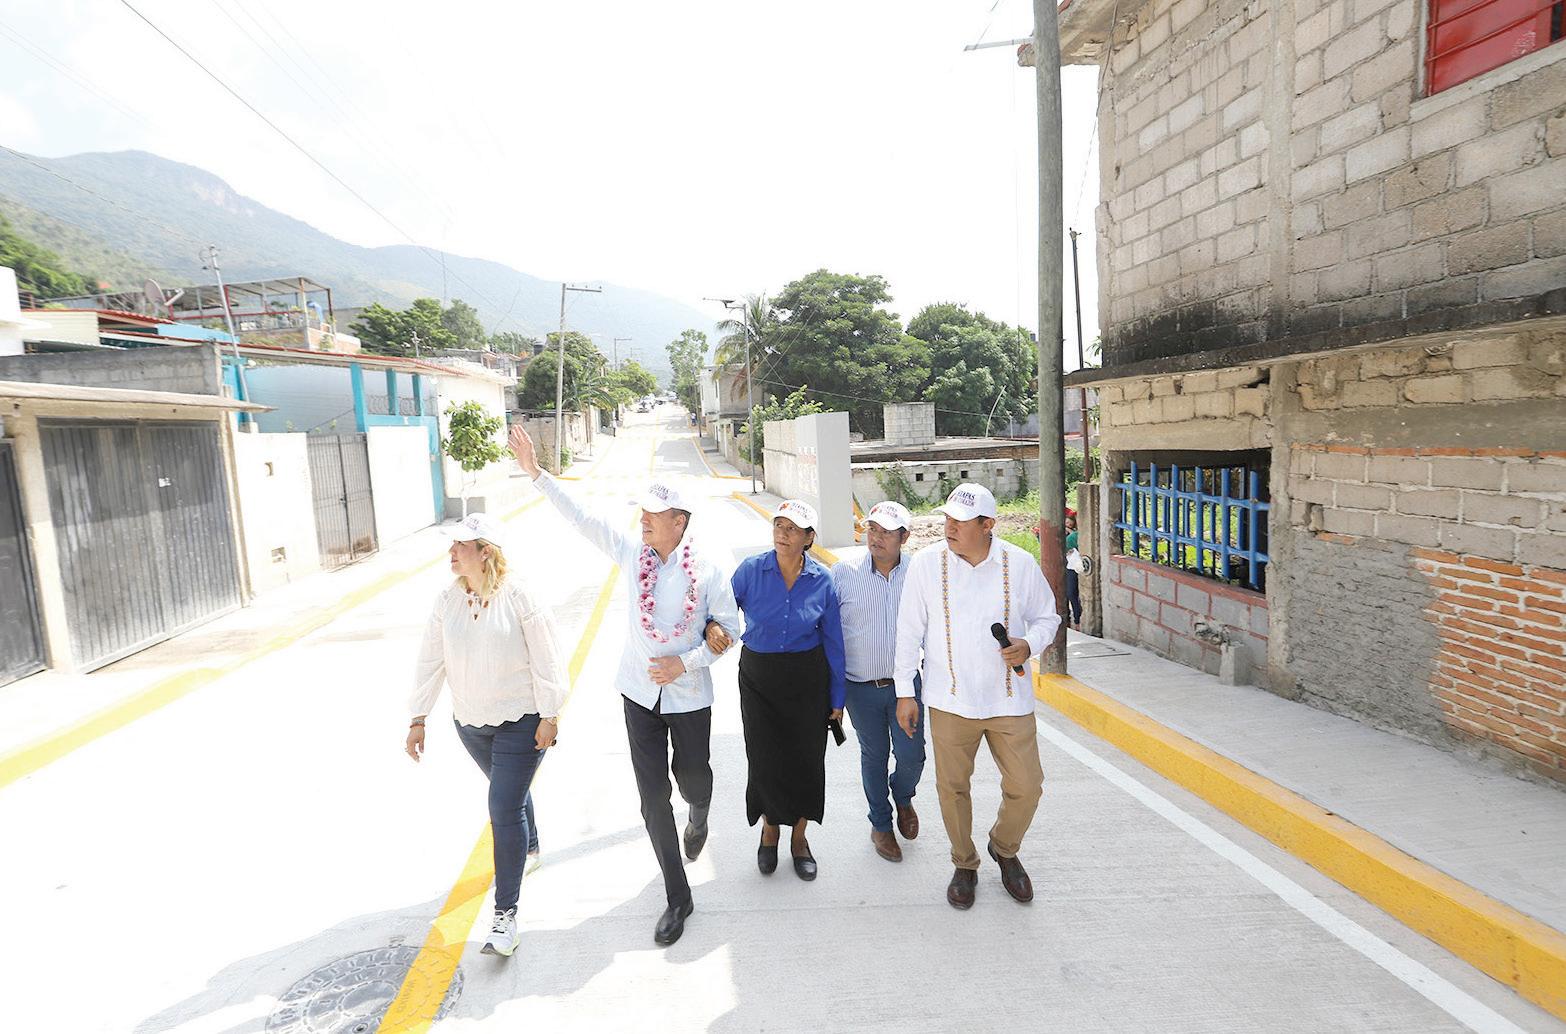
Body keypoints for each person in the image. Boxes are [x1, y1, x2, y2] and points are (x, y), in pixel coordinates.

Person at [509, 425, 740, 947]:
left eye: (655, 514)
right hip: (638, 694)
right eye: (644, 512)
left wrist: (687, 662)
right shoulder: (633, 555)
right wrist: (536, 474)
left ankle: (699, 814)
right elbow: (583, 519)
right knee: (652, 798)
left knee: (693, 780)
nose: (644, 519)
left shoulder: (707, 572)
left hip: (689, 697)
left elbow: (731, 630)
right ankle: (678, 895)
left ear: (679, 522)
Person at [893, 483, 1061, 910]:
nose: (949, 528)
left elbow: (1048, 617)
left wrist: (1029, 644)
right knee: (952, 789)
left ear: (988, 525)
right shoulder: (927, 565)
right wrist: (904, 692)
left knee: (1027, 786)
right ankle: (964, 863)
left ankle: (1004, 848)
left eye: (961, 522)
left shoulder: (1018, 564)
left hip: (1008, 699)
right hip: (950, 699)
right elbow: (908, 632)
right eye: (947, 519)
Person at [406, 512, 565, 958]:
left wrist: (551, 713)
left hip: (522, 719)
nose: (452, 552)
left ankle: (504, 917)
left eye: (461, 545)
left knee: (502, 807)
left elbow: (548, 658)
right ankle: (530, 847)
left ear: (485, 552)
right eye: (452, 545)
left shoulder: (520, 596)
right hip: (471, 724)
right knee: (508, 792)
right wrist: (418, 717)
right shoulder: (447, 600)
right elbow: (430, 659)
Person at [730, 500, 847, 882]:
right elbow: (722, 612)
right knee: (765, 760)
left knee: (806, 760)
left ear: (809, 538)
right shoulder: (750, 571)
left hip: (807, 680)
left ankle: (799, 838)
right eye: (779, 525)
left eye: (792, 528)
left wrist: (837, 698)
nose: (782, 533)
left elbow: (834, 641)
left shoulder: (822, 580)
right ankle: (770, 831)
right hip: (759, 679)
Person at [832, 500, 924, 863]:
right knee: (874, 755)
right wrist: (832, 693)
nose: (877, 538)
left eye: (886, 532)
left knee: (912, 755)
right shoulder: (844, 573)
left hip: (906, 688)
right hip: (860, 688)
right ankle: (881, 825)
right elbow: (829, 633)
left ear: (904, 537)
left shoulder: (919, 574)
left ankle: (903, 796)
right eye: (872, 529)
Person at [1064, 514, 1083, 630]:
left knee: (1071, 593)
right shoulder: (1072, 536)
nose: (1068, 526)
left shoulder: (1073, 536)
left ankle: (1077, 620)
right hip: (1069, 566)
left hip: (1073, 566)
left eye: (1070, 525)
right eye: (1066, 524)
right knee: (1069, 594)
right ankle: (1072, 620)